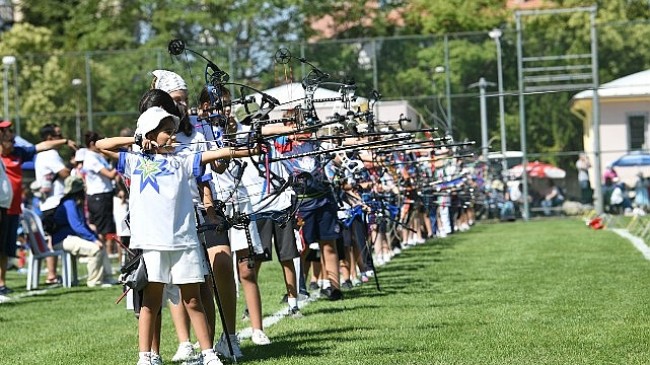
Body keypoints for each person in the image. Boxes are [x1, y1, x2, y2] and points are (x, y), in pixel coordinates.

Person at [96, 106, 257, 365]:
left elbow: (221, 152)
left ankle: (208, 353)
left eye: (173, 132)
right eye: (167, 133)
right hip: (153, 244)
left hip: (184, 242)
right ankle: (145, 356)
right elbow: (101, 145)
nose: (173, 137)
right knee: (151, 301)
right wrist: (137, 141)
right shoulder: (136, 162)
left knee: (193, 299)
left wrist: (250, 149)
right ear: (149, 134)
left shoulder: (182, 160)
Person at [0, 120, 76, 292]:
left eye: (11, 133)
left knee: (5, 249)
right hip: (2, 205)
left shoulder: (18, 152)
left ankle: (2, 283)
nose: (11, 136)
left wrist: (64, 142)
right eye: (6, 133)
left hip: (12, 208)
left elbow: (42, 146)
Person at [50, 175, 115, 287]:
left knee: (100, 244)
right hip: (62, 240)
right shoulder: (69, 203)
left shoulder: (75, 202)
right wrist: (93, 239)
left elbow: (83, 224)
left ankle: (107, 277)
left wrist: (95, 236)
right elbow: (77, 226)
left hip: (70, 237)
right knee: (96, 249)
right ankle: (94, 281)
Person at [84, 131, 119, 261]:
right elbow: (110, 175)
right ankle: (101, 260)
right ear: (93, 143)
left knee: (106, 230)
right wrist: (122, 160)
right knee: (102, 231)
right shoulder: (91, 158)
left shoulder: (97, 156)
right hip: (99, 196)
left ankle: (104, 260)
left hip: (104, 195)